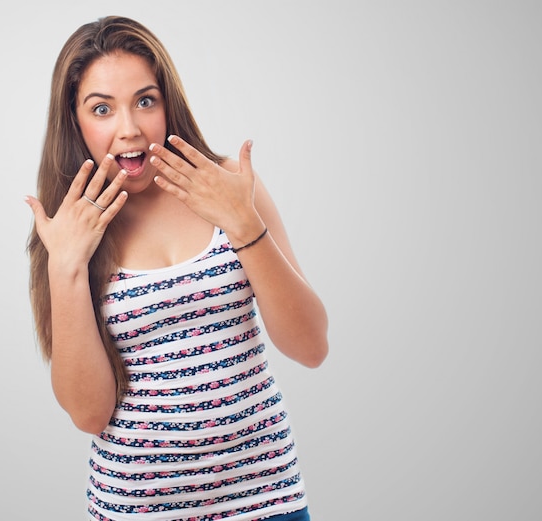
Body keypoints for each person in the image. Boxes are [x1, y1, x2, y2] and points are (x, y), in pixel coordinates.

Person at [25, 15, 328, 521]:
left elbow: (311, 346)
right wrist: (66, 267)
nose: (130, 128)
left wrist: (242, 223)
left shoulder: (231, 185)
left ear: (168, 103)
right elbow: (88, 413)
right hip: (137, 510)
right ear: (75, 121)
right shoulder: (69, 233)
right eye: (102, 109)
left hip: (266, 500)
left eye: (146, 101)